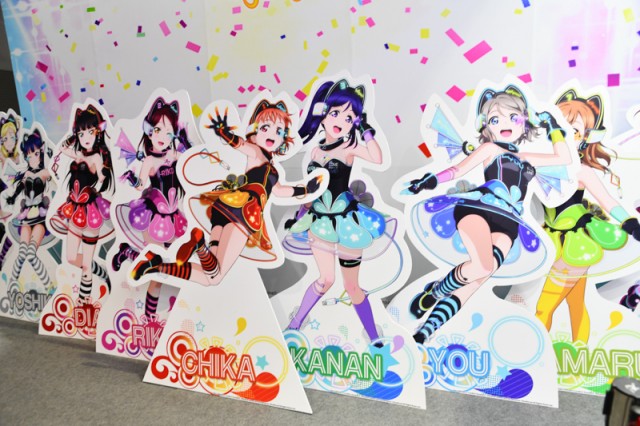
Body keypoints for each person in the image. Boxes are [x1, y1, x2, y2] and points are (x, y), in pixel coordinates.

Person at [406, 85, 572, 344]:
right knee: (481, 266)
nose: (504, 124)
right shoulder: (490, 149)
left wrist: (553, 126)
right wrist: (429, 181)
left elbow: (564, 157)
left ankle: (426, 329)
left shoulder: (526, 156)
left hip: (509, 221)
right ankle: (435, 293)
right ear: (486, 126)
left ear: (524, 122)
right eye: (495, 119)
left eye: (512, 117)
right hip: (480, 208)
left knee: (480, 277)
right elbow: (458, 170)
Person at [132, 100, 321, 286]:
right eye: (265, 128)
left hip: (223, 210)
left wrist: (306, 189)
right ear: (255, 132)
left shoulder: (272, 168)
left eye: (279, 131)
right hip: (243, 213)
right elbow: (241, 145)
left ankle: (155, 265)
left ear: (283, 139)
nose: (272, 134)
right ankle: (200, 247)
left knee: (209, 276)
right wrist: (225, 133)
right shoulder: (256, 152)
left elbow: (279, 191)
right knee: (215, 277)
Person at [283, 79, 388, 346]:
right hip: (319, 221)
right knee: (326, 279)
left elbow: (377, 158)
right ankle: (294, 324)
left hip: (347, 222)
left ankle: (373, 335)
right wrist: (300, 213)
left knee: (352, 286)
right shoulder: (315, 151)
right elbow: (312, 190)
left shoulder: (349, 148)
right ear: (324, 113)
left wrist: (365, 130)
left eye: (349, 117)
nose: (341, 120)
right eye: (336, 113)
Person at [534, 90, 640, 343]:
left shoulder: (582, 171)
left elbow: (608, 200)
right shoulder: (539, 165)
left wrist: (630, 223)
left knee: (544, 306)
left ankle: (534, 354)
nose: (563, 134)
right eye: (559, 127)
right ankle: (580, 350)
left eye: (574, 130)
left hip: (576, 241)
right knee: (576, 302)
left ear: (585, 138)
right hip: (550, 237)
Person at [112, 97, 191, 319]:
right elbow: (141, 185)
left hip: (174, 215)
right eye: (157, 130)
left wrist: (184, 148)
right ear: (149, 131)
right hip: (154, 215)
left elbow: (191, 164)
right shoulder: (149, 161)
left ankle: (128, 252)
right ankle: (149, 318)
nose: (162, 137)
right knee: (156, 267)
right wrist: (132, 179)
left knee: (177, 262)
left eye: (168, 132)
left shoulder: (175, 155)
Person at [49, 105, 114, 302]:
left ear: (97, 132)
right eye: (81, 133)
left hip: (91, 210)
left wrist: (104, 172)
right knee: (71, 257)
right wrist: (71, 137)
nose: (85, 137)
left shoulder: (97, 156)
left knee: (85, 263)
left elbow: (102, 175)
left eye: (90, 132)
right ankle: (99, 270)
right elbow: (62, 149)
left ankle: (83, 300)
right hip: (74, 207)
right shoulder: (79, 154)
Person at [5, 129, 52, 289]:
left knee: (31, 254)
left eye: (36, 154)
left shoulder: (45, 173)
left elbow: (57, 178)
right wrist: (12, 197)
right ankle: (12, 285)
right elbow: (19, 188)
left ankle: (49, 287)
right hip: (26, 216)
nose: (32, 159)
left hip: (40, 216)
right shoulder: (25, 174)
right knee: (21, 254)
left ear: (41, 152)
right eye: (29, 156)